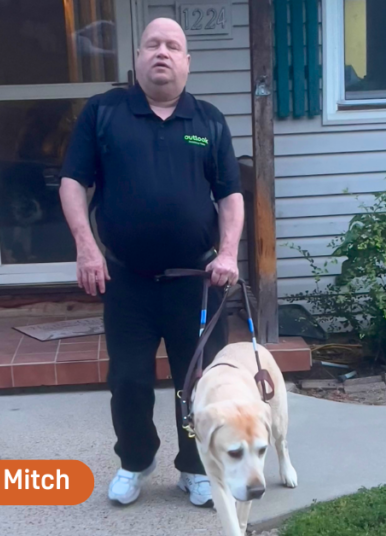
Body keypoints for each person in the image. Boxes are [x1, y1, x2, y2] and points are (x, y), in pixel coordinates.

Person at [58, 17, 244, 508]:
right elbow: (73, 182)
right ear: (137, 57)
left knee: (199, 383)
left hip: (195, 282)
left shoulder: (208, 121)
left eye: (173, 46)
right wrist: (85, 246)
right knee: (129, 381)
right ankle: (136, 461)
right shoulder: (104, 114)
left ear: (187, 61)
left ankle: (195, 467)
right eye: (152, 45)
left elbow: (229, 195)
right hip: (128, 282)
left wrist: (228, 253)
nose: (162, 52)